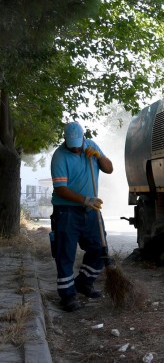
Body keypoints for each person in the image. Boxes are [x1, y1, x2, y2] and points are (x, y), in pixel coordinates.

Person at [50, 122, 113, 311]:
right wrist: (85, 199)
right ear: (65, 141)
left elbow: (109, 169)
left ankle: (84, 283)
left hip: (91, 211)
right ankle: (67, 296)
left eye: (79, 143)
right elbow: (60, 189)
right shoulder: (59, 156)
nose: (76, 147)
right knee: (65, 253)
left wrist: (99, 156)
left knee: (99, 249)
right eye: (72, 145)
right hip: (66, 212)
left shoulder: (91, 146)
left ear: (84, 138)